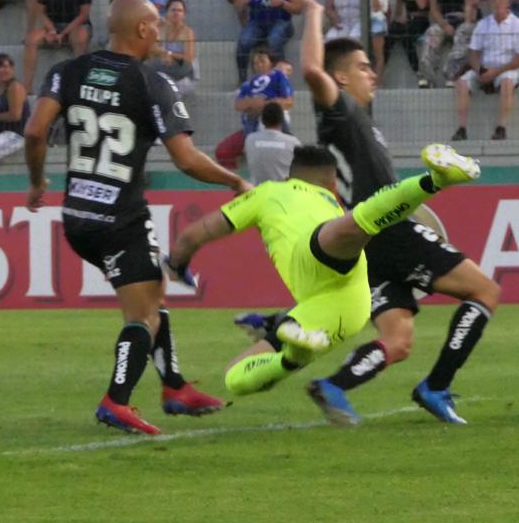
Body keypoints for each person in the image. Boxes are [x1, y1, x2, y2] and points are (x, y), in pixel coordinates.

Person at [240, 0, 501, 426]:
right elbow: (310, 70)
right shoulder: (340, 112)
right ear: (340, 79)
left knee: (397, 341)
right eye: (363, 67)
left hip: (367, 243)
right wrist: (314, 12)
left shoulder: (361, 122)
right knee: (486, 292)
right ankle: (435, 386)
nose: (372, 74)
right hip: (388, 230)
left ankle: (332, 385)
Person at [23, 0, 252, 436]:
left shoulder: (67, 71)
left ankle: (175, 388)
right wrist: (233, 181)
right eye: (158, 26)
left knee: (151, 296)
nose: (163, 32)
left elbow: (35, 130)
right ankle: (116, 401)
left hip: (77, 216)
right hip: (121, 218)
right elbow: (186, 159)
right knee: (143, 316)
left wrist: (36, 183)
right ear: (142, 30)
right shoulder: (152, 81)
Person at [166, 143, 480, 402]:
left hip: (316, 268)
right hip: (345, 304)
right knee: (238, 375)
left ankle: (435, 180)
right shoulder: (332, 202)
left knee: (353, 224)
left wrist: (177, 266)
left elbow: (192, 236)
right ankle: (293, 356)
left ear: (290, 176)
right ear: (332, 183)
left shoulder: (266, 193)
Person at [450, 0, 519, 141]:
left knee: (507, 81)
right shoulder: (483, 24)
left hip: (508, 68)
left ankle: (501, 127)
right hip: (485, 67)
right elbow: (473, 53)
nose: (497, 1)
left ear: (508, 2)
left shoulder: (518, 25)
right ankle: (462, 128)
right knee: (462, 82)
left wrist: (496, 72)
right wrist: (480, 70)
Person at [214, 48, 294, 169]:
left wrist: (264, 104)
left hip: (272, 125)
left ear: (271, 63)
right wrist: (252, 102)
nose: (258, 65)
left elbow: (288, 102)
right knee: (222, 152)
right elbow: (238, 105)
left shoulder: (278, 77)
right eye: (255, 63)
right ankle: (239, 181)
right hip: (251, 124)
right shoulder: (249, 83)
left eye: (262, 61)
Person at [22, 0, 91, 93]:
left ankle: (79, 84)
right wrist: (52, 31)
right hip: (53, 26)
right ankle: (27, 87)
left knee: (80, 37)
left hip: (76, 26)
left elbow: (83, 15)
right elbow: (41, 12)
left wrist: (63, 33)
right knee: (31, 40)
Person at [235, 0, 304, 83]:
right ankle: (242, 80)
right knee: (244, 42)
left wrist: (283, 4)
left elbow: (299, 8)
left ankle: (278, 79)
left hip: (282, 21)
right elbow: (238, 6)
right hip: (257, 22)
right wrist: (243, 1)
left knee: (273, 41)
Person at [419, 0, 468, 87]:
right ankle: (427, 76)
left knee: (464, 34)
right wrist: (444, 24)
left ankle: (452, 74)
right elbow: (434, 9)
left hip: (465, 18)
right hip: (444, 19)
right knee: (431, 33)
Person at [385, 0, 430, 87]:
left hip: (422, 19)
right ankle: (380, 69)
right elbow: (399, 12)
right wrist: (396, 23)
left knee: (406, 35)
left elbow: (422, 5)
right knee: (391, 34)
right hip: (409, 20)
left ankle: (419, 72)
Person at [147, 0, 198, 96]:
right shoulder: (160, 29)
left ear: (184, 15)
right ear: (167, 12)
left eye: (180, 11)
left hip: (182, 71)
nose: (176, 13)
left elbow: (189, 58)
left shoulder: (187, 32)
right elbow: (151, 49)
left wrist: (170, 54)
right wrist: (164, 53)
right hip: (164, 67)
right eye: (173, 10)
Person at [244, 101, 298, 184]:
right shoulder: (293, 142)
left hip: (257, 190)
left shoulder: (250, 139)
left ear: (262, 120)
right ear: (282, 120)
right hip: (283, 191)